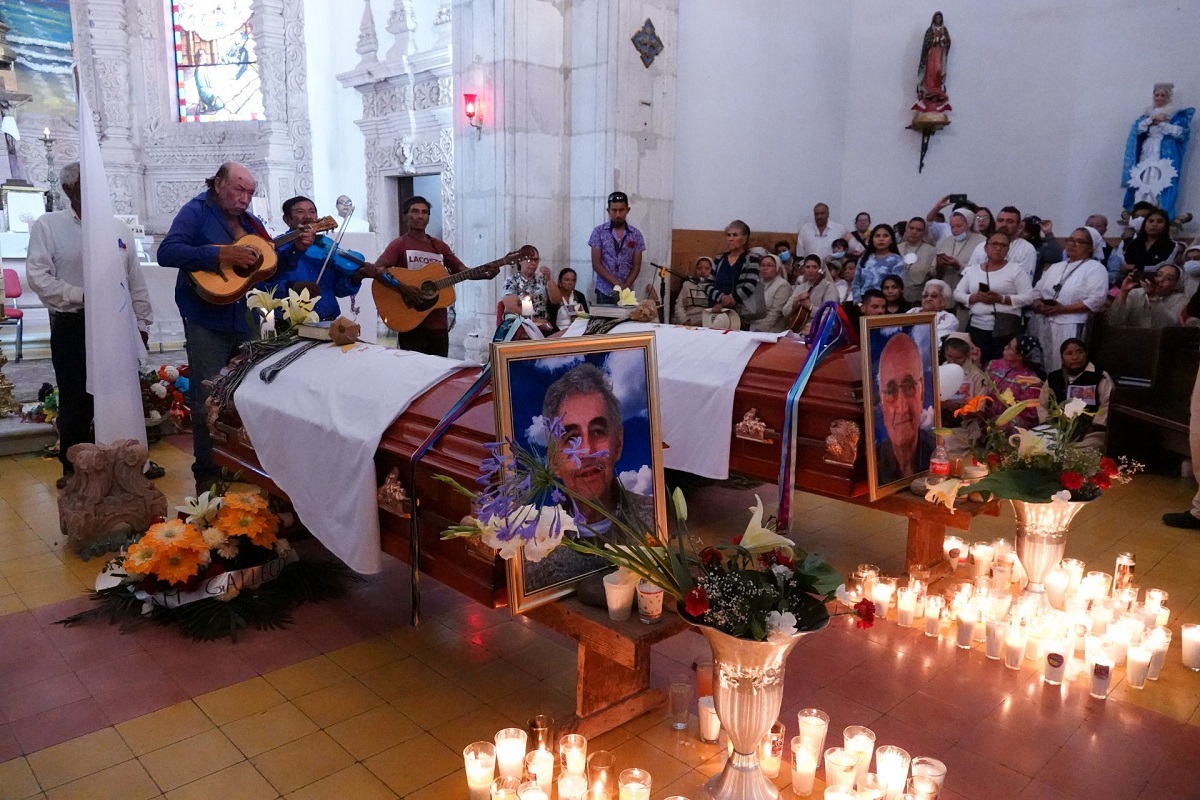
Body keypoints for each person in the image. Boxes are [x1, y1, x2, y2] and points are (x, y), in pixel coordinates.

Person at [26, 162, 162, 489]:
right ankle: (74, 469)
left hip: (117, 326)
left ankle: (128, 462)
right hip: (74, 324)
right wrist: (82, 295)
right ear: (69, 190)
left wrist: (142, 322)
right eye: (86, 186)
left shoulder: (119, 229)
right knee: (75, 399)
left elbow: (134, 281)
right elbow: (38, 276)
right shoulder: (49, 226)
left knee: (121, 395)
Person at [159, 162, 277, 491]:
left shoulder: (250, 223)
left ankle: (242, 463)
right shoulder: (195, 211)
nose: (244, 198)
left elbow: (270, 263)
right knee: (208, 394)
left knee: (250, 391)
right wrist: (221, 256)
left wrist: (294, 247)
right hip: (206, 318)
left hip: (247, 318)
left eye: (250, 193)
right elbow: (167, 252)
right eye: (238, 190)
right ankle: (207, 473)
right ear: (218, 184)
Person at [375, 195, 496, 357]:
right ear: (406, 216)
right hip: (410, 320)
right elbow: (378, 269)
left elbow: (461, 271)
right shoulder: (399, 244)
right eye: (415, 211)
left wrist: (485, 275)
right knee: (414, 371)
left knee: (439, 371)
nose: (420, 216)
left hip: (438, 324)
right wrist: (404, 288)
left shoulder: (439, 246)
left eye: (424, 212)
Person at [543, 362, 651, 531]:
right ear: (553, 461)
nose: (587, 450)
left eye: (597, 432)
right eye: (571, 438)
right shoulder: (532, 538)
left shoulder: (656, 518)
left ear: (618, 444)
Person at [260, 196, 382, 320]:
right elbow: (261, 288)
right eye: (300, 211)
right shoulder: (276, 248)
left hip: (328, 319)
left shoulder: (326, 244)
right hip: (290, 323)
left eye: (312, 211)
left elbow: (339, 290)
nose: (308, 216)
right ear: (287, 219)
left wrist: (357, 276)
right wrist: (292, 286)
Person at [1030, 228, 1109, 372]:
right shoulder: (1056, 267)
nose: (1073, 244)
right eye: (1071, 240)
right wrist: (1039, 305)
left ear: (1091, 247)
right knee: (1045, 363)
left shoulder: (1095, 268)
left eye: (1079, 241)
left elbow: (1096, 299)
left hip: (1071, 324)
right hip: (1045, 322)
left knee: (1066, 365)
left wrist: (1064, 309)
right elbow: (1036, 291)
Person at [954, 231, 1035, 363]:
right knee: (978, 363)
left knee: (1000, 364)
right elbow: (957, 293)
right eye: (994, 244)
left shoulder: (1016, 270)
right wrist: (974, 298)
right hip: (977, 328)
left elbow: (1029, 297)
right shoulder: (973, 270)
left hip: (1005, 329)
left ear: (1008, 249)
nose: (998, 248)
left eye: (1003, 245)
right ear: (986, 248)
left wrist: (1002, 299)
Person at [1123, 83, 1194, 220]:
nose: (1159, 98)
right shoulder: (1147, 115)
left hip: (1164, 153)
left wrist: (1162, 124)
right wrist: (1152, 119)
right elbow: (1137, 130)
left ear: (1168, 97)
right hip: (1148, 150)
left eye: (1163, 95)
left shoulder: (1175, 115)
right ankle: (1140, 212)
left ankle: (1159, 213)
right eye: (1157, 95)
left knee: (1159, 181)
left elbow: (1181, 133)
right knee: (1144, 180)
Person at [875, 332, 934, 484]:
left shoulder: (936, 453)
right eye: (891, 391)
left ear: (921, 390)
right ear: (881, 402)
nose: (902, 408)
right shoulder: (873, 463)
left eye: (908, 387)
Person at [1038, 338, 1112, 452]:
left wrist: (1095, 425)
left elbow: (1108, 403)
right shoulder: (1054, 377)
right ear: (1062, 357)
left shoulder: (1099, 376)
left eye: (1079, 352)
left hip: (1090, 433)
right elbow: (1042, 404)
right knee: (1035, 443)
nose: (1075, 357)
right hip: (1056, 430)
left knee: (1093, 446)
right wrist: (1049, 424)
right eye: (1069, 353)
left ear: (1086, 353)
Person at [587, 191, 645, 304]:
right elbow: (596, 264)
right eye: (614, 210)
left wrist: (625, 287)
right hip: (605, 290)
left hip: (627, 292)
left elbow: (636, 266)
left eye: (621, 210)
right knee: (606, 321)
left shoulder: (636, 234)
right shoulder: (598, 232)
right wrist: (617, 284)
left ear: (628, 210)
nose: (618, 214)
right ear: (608, 210)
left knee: (626, 321)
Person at [704, 220, 760, 323]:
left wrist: (730, 300)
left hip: (738, 313)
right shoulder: (719, 258)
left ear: (745, 238)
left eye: (735, 235)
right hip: (716, 310)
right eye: (728, 235)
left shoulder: (752, 259)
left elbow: (750, 285)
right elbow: (708, 284)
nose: (731, 239)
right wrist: (721, 298)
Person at [987, 335, 1044, 430]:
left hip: (1007, 430)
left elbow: (1030, 416)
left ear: (1020, 355)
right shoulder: (993, 365)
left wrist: (1004, 420)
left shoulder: (1029, 381)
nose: (1005, 347)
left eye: (1009, 347)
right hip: (984, 421)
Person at [966, 206, 1037, 280]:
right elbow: (968, 275)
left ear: (1019, 226)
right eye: (1000, 220)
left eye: (1010, 221)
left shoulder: (1027, 249)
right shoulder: (981, 246)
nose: (1004, 225)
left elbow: (1025, 281)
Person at [1106, 263, 1186, 328]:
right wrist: (1123, 292)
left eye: (1168, 279)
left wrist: (1153, 297)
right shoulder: (1136, 293)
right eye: (1159, 275)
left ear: (1176, 284)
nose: (1161, 280)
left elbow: (1168, 326)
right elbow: (1114, 321)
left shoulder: (1180, 299)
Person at [501, 246, 561, 330]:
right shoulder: (511, 280)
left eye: (536, 260)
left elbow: (557, 300)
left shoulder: (541, 279)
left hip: (543, 323)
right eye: (529, 259)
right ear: (520, 261)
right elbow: (511, 306)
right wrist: (533, 320)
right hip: (520, 324)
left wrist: (549, 280)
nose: (533, 263)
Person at [934, 208, 985, 306]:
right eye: (952, 226)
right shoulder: (943, 242)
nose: (955, 230)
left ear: (969, 224)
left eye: (958, 226)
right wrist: (939, 265)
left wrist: (959, 265)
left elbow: (981, 270)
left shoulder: (982, 242)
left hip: (968, 291)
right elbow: (933, 271)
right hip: (946, 289)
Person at [1118, 207, 1178, 279]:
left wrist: (1135, 267)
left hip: (1156, 284)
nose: (1154, 224)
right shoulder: (1130, 243)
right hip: (1128, 281)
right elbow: (1122, 265)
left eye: (1159, 221)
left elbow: (1161, 267)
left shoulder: (1171, 245)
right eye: (1151, 221)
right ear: (1144, 224)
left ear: (1165, 225)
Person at [852, 224, 904, 302]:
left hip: (886, 302)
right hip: (864, 302)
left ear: (892, 240)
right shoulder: (864, 258)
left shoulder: (897, 260)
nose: (881, 239)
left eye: (885, 236)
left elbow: (896, 286)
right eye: (877, 236)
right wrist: (858, 303)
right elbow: (856, 283)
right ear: (872, 240)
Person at [783, 253, 841, 323]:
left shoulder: (829, 287)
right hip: (799, 330)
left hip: (819, 330)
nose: (810, 270)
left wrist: (810, 307)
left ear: (820, 269)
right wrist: (796, 300)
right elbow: (785, 312)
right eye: (807, 267)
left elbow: (830, 315)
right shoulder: (800, 288)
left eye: (814, 267)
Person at [914, 11, 951, 112]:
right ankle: (928, 89)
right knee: (930, 70)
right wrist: (933, 41)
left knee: (938, 70)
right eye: (937, 18)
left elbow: (948, 42)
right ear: (934, 19)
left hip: (939, 54)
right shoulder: (930, 31)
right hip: (931, 54)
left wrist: (943, 41)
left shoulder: (944, 30)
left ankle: (937, 89)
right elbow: (926, 44)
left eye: (940, 18)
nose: (938, 20)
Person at [898, 217, 937, 304]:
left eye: (919, 230)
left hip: (920, 297)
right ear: (906, 229)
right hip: (898, 296)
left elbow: (933, 273)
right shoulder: (897, 248)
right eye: (911, 228)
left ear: (923, 233)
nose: (914, 232)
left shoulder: (931, 251)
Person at [749, 253, 790, 333]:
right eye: (763, 265)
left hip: (772, 330)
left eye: (769, 265)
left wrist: (759, 331)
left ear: (777, 268)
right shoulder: (757, 283)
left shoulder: (782, 285)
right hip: (752, 327)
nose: (765, 268)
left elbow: (775, 313)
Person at [673, 257, 712, 326]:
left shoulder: (715, 287)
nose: (703, 271)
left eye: (707, 269)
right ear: (695, 270)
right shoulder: (687, 285)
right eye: (700, 268)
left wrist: (702, 323)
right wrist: (684, 321)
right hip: (688, 321)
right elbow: (679, 306)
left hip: (707, 322)